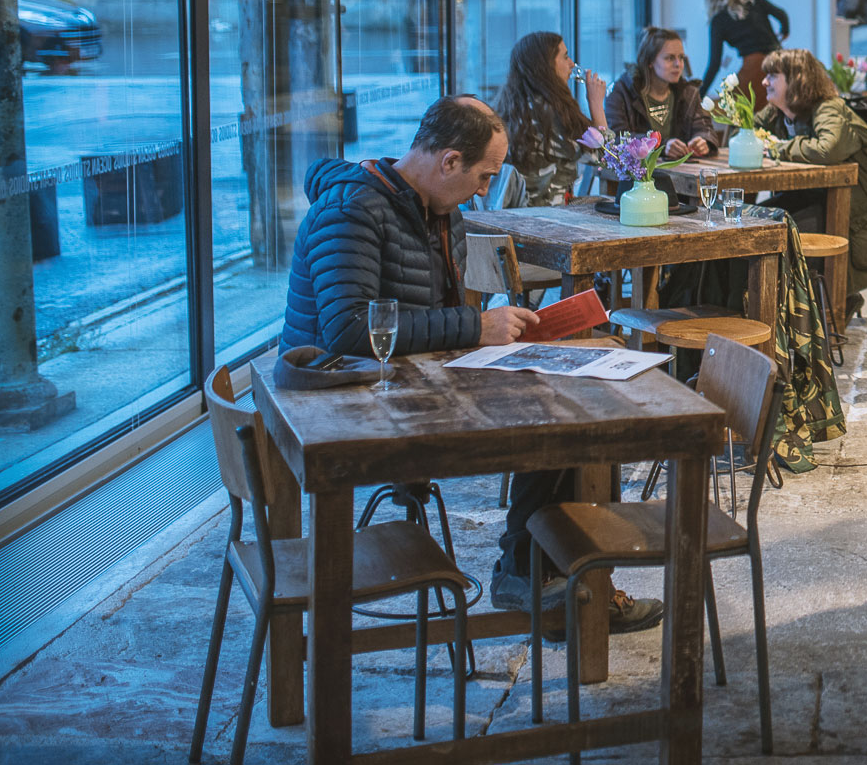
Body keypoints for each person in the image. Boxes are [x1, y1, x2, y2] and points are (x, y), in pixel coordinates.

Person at [279, 96, 664, 634]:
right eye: (484, 176)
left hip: (406, 377)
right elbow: (350, 330)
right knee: (553, 417)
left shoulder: (438, 209)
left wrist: (500, 331)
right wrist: (474, 328)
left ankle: (540, 575)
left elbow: (439, 315)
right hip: (341, 398)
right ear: (449, 161)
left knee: (566, 406)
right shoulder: (352, 211)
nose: (485, 190)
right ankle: (542, 576)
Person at [758, 48, 867, 308]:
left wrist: (775, 147)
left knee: (771, 234)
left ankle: (821, 306)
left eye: (772, 76)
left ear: (796, 79)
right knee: (752, 222)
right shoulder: (777, 113)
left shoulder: (829, 108)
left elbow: (827, 148)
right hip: (822, 200)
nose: (764, 82)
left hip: (863, 216)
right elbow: (747, 133)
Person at [491, 31, 603, 207]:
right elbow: (604, 155)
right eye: (565, 57)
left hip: (510, 216)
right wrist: (596, 103)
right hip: (546, 218)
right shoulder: (550, 114)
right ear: (547, 65)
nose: (572, 64)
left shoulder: (509, 108)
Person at [606, 25, 716, 158]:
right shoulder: (622, 92)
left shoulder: (689, 93)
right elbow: (618, 139)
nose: (678, 64)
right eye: (669, 58)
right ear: (650, 61)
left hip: (683, 175)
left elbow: (705, 129)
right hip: (639, 176)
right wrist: (661, 146)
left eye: (681, 57)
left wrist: (703, 140)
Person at [703, 0, 791, 104]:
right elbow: (782, 15)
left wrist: (698, 95)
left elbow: (714, 65)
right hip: (781, 65)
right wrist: (783, 33)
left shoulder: (718, 20)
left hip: (755, 71)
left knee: (725, 108)